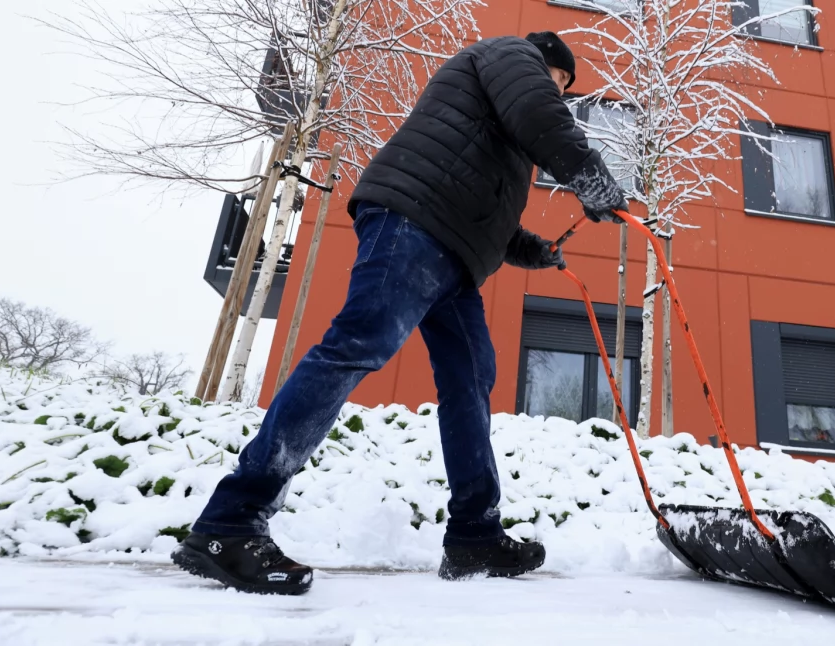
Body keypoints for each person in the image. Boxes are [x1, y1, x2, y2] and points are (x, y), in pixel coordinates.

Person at [172, 31, 630, 595]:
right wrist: (586, 172)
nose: (559, 94)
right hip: (412, 224)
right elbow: (536, 112)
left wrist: (526, 247)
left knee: (471, 379)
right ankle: (231, 522)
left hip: (451, 254)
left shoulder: (497, 114)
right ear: (550, 65)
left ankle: (473, 535)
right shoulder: (513, 55)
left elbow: (473, 194)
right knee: (358, 345)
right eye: (562, 83)